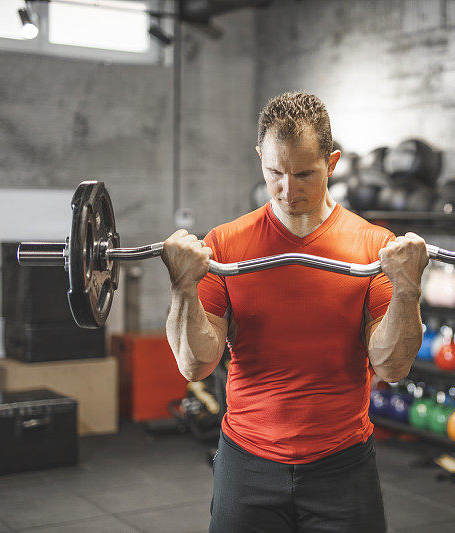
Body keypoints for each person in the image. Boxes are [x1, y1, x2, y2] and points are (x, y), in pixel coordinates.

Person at [161, 92, 428, 532]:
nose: (288, 190)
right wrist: (182, 286)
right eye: (275, 173)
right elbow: (195, 364)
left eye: (305, 173)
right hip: (246, 463)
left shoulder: (372, 247)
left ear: (333, 162)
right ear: (260, 159)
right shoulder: (226, 244)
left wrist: (407, 288)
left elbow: (393, 365)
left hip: (342, 465)